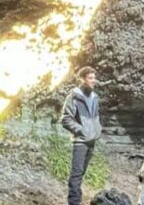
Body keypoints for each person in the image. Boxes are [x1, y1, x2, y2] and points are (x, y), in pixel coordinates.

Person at [61, 66, 102, 205]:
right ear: (82, 79)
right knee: (76, 174)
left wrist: (96, 130)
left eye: (94, 78)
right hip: (80, 142)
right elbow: (65, 119)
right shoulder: (74, 96)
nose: (94, 81)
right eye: (90, 78)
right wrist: (81, 130)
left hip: (91, 140)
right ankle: (74, 202)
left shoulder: (95, 97)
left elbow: (95, 117)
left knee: (81, 174)